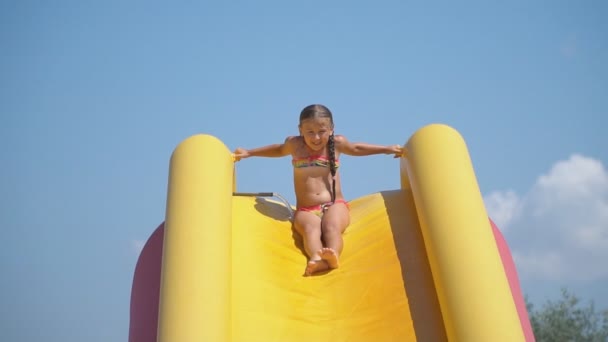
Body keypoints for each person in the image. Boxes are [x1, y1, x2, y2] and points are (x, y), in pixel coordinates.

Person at [233, 104, 403, 276]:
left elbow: (356, 148)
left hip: (334, 204)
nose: (316, 137)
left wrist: (386, 149)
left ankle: (333, 254)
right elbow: (277, 149)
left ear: (331, 129)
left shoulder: (337, 143)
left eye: (321, 131)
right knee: (310, 230)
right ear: (300, 130)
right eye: (310, 132)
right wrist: (249, 152)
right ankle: (316, 257)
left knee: (332, 227)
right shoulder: (294, 145)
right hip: (306, 209)